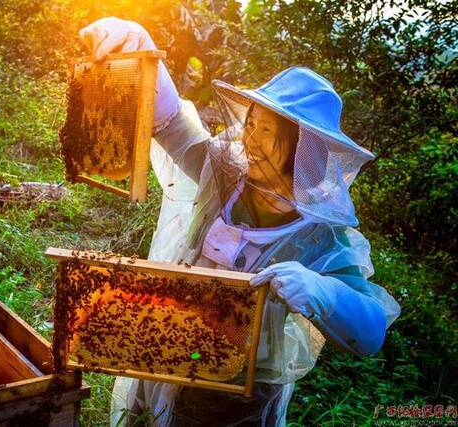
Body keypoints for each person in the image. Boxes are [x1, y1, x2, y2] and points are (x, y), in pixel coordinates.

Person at [78, 17, 401, 426]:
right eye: (251, 123)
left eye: (266, 131)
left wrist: (320, 289)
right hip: (176, 351)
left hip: (243, 394)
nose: (249, 139)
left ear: (303, 151)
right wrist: (139, 49)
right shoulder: (227, 176)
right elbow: (173, 128)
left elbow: (370, 334)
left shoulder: (320, 236)